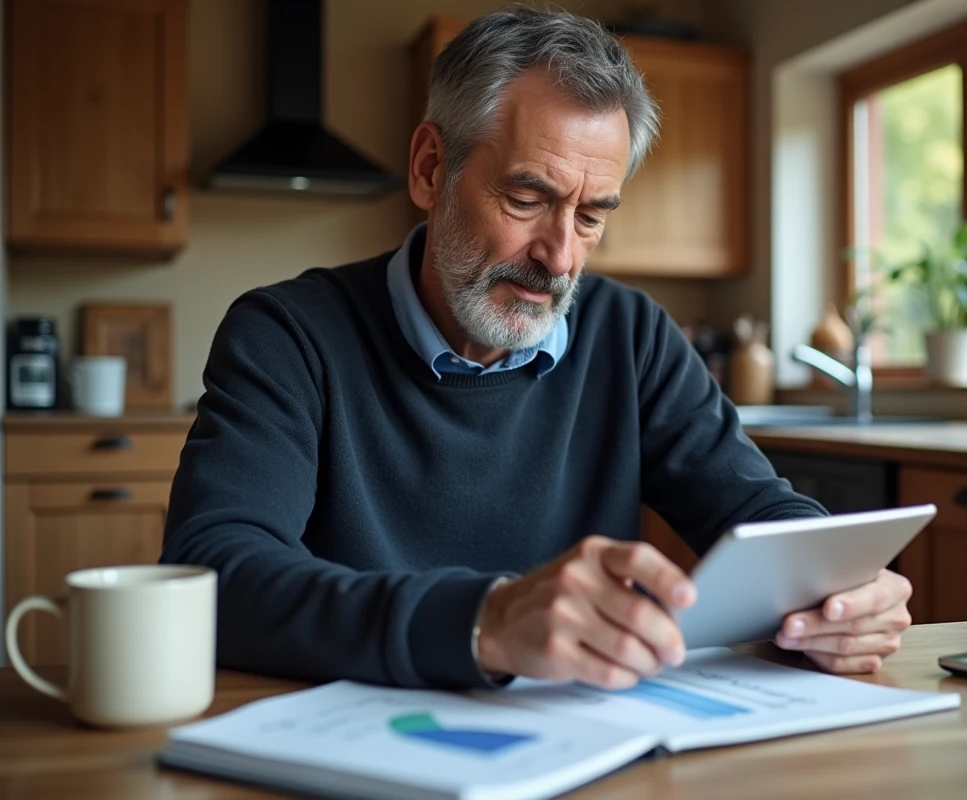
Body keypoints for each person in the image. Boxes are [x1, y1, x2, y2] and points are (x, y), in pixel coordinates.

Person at [161, 6, 912, 691]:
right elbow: (213, 570)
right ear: (431, 169)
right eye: (528, 199)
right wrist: (484, 620)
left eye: (591, 216)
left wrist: (838, 586)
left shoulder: (633, 337)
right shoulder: (287, 335)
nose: (559, 257)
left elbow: (754, 512)